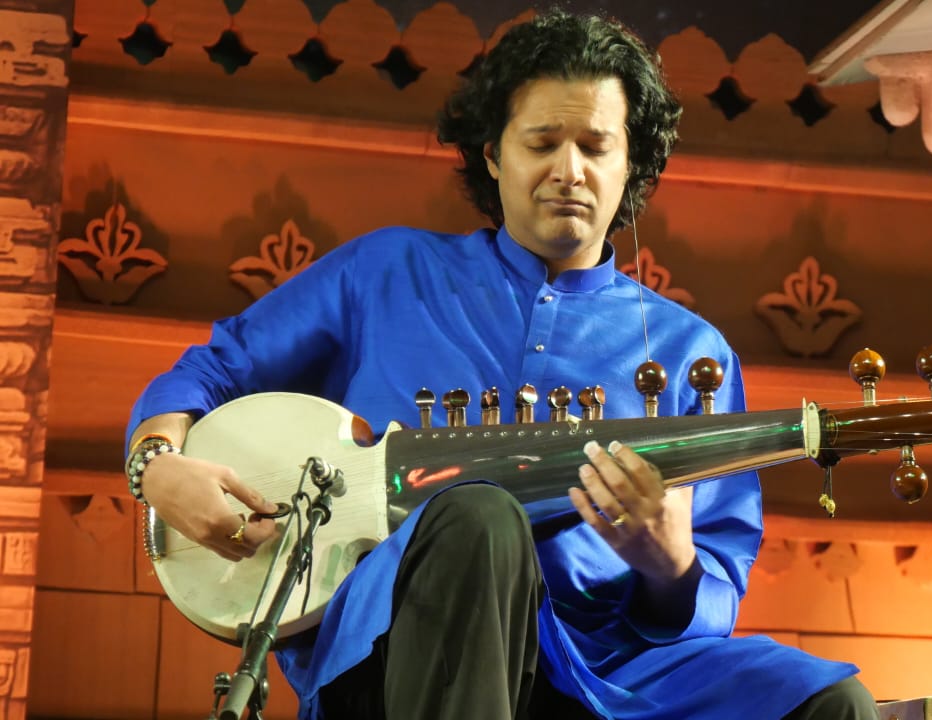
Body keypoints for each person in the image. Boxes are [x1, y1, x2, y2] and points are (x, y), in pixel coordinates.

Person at [125, 10, 878, 720]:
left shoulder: (691, 354)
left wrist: (670, 563)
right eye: (542, 143)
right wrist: (157, 466)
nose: (569, 170)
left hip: (606, 670)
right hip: (402, 647)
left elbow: (711, 590)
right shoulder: (387, 274)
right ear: (493, 155)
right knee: (479, 514)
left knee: (826, 701)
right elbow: (214, 369)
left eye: (595, 148)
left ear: (631, 165)